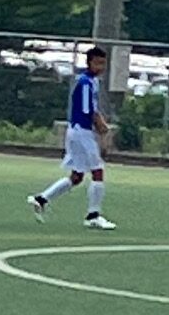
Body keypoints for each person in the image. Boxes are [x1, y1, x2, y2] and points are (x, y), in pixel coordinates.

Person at [28, 45, 116, 230]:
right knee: (98, 171)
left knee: (77, 176)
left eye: (103, 64)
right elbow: (88, 111)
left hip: (78, 132)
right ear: (89, 63)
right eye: (97, 63)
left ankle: (42, 199)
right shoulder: (85, 83)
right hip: (81, 132)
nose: (101, 67)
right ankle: (93, 215)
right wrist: (101, 126)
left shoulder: (92, 82)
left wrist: (100, 125)